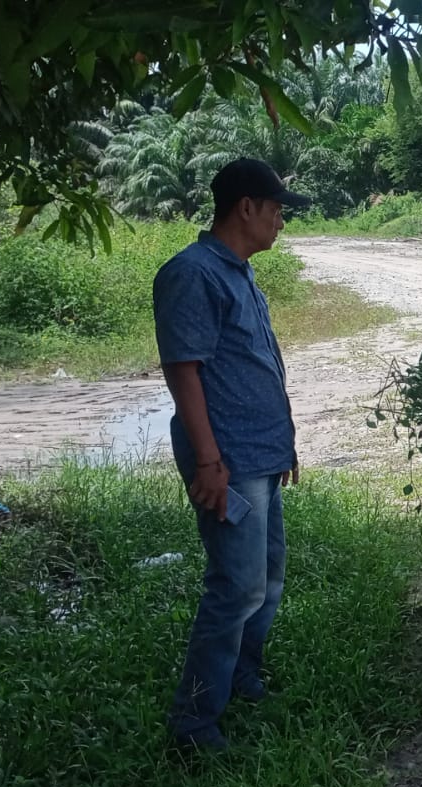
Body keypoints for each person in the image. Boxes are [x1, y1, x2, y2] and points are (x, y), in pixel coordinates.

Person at [153, 158, 310, 752]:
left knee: (266, 582)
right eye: (275, 209)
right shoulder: (193, 274)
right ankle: (193, 722)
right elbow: (183, 372)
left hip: (259, 455)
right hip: (229, 460)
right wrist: (210, 462)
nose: (279, 221)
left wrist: (284, 446)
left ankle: (242, 674)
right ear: (246, 207)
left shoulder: (240, 273)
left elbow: (257, 367)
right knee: (235, 587)